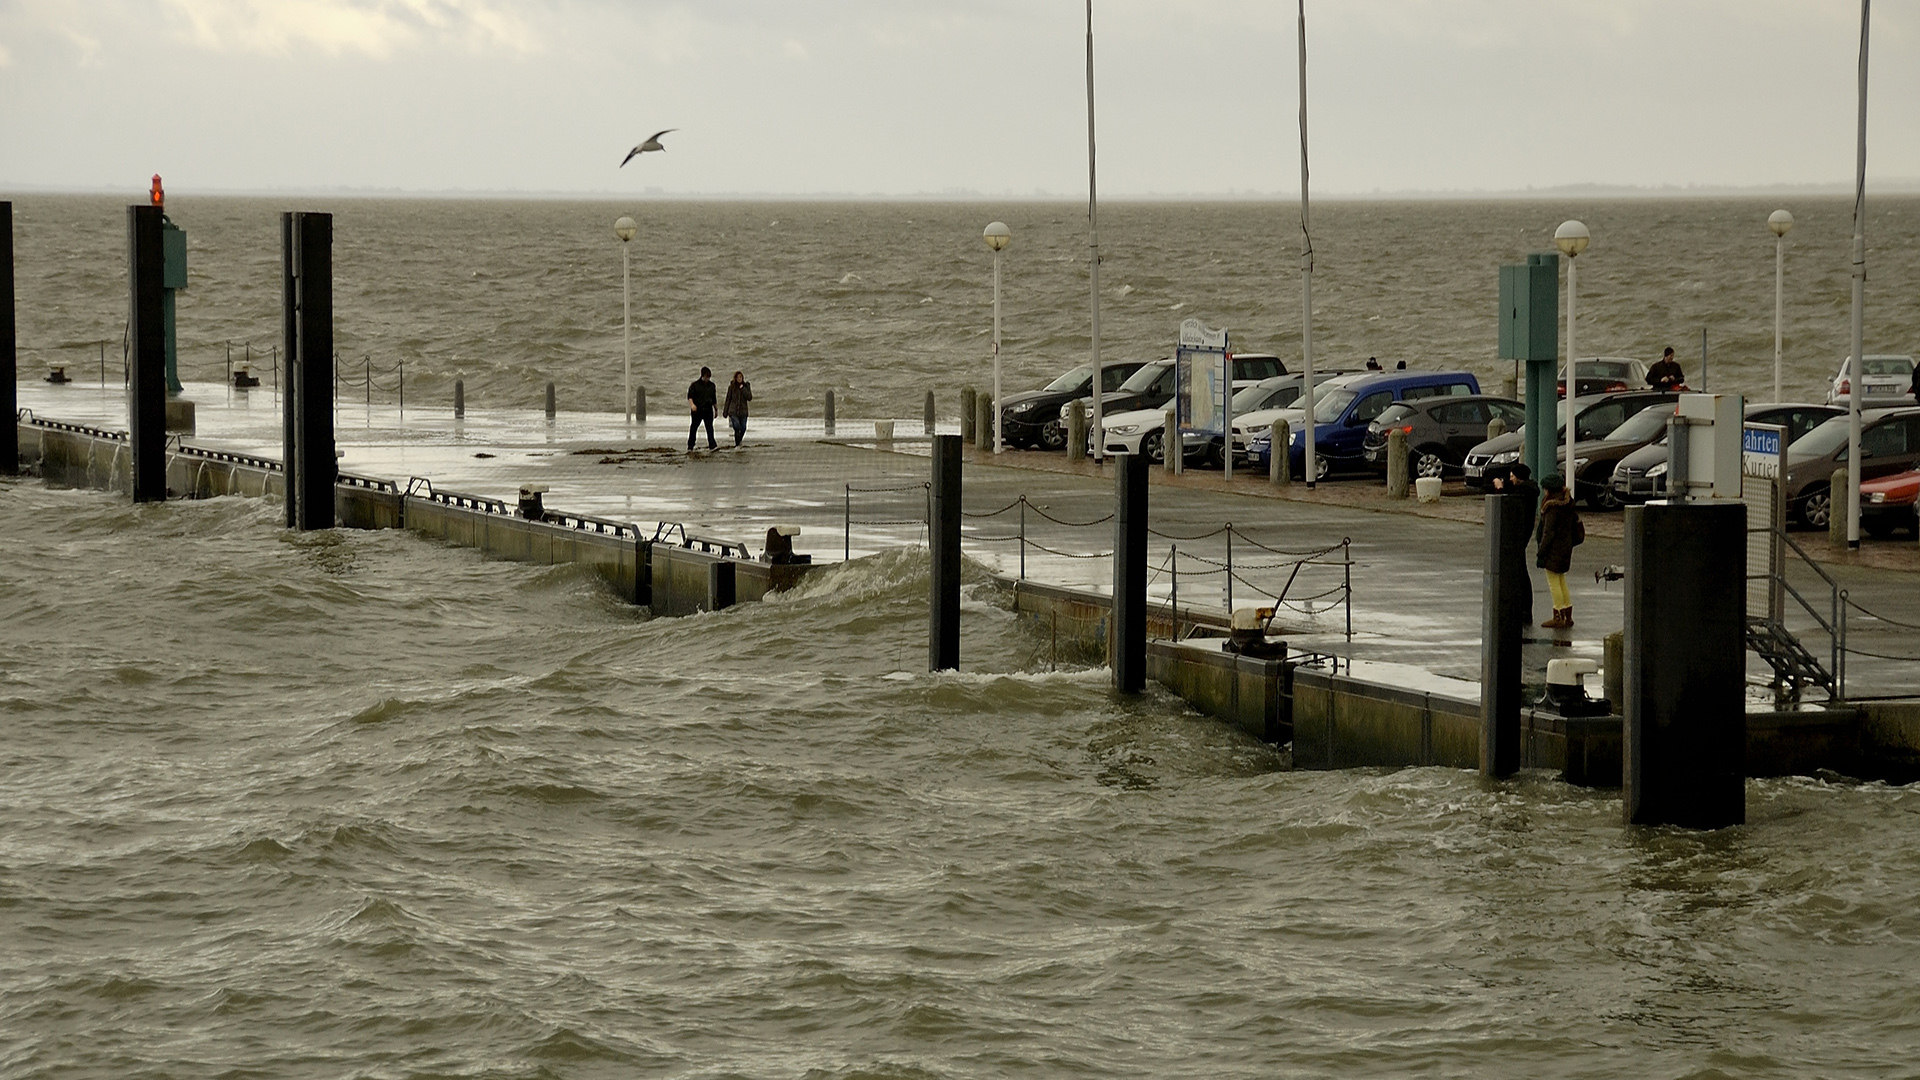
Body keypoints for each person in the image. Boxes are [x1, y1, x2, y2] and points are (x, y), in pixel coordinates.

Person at [1490, 462, 1539, 621]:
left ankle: (1524, 608)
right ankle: (1522, 607)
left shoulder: (1526, 492)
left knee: (1520, 571)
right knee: (1519, 569)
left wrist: (1500, 489)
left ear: (1519, 478)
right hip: (1519, 533)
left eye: (1512, 477)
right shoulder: (1525, 489)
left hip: (1518, 534)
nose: (1510, 480)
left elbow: (1507, 504)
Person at [1535, 473, 1584, 629]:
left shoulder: (1552, 508)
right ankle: (1567, 615)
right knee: (1561, 580)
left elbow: (1548, 533)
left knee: (1553, 583)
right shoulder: (1567, 504)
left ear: (1548, 490)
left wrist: (1541, 552)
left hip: (1553, 550)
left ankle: (1558, 615)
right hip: (1565, 548)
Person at [686, 366, 718, 451]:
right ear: (702, 376)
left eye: (709, 377)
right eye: (706, 376)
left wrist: (716, 409)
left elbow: (714, 398)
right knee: (694, 428)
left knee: (709, 428)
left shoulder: (712, 385)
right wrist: (692, 405)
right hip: (697, 410)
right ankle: (690, 445)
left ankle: (712, 445)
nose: (708, 378)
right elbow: (689, 396)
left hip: (708, 410)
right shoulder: (694, 385)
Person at [722, 370, 752, 447]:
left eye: (741, 377)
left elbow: (749, 397)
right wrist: (725, 412)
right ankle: (737, 444)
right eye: (738, 377)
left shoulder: (746, 386)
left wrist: (743, 389)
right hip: (733, 411)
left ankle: (739, 441)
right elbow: (728, 399)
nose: (739, 378)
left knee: (743, 428)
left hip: (743, 411)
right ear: (735, 378)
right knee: (736, 426)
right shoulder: (731, 387)